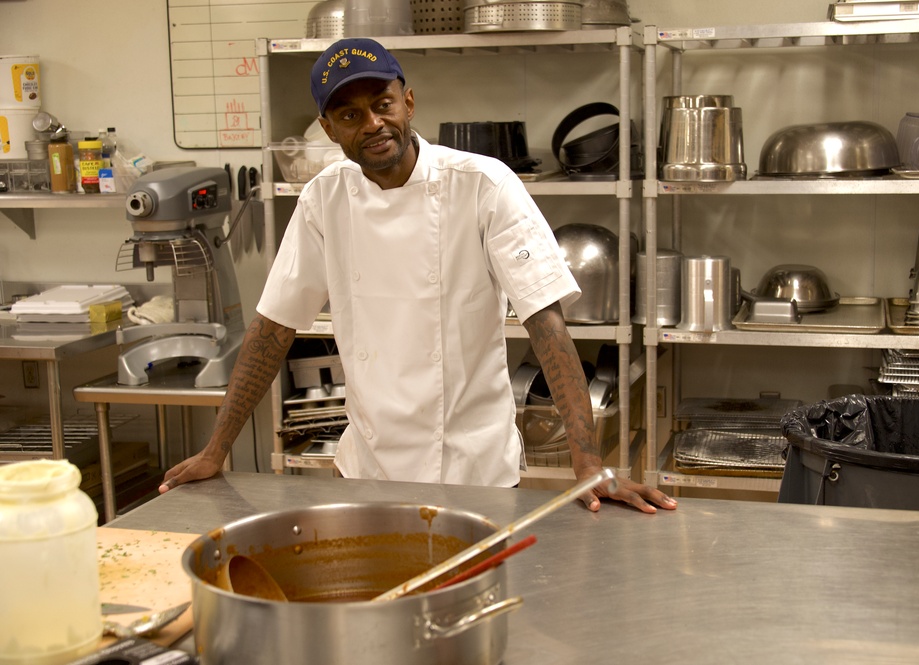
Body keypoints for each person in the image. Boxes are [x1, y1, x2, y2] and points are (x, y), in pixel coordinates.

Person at [160, 37, 676, 513]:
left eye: (382, 104)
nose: (372, 124)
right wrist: (216, 449)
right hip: (368, 466)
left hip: (471, 470)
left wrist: (586, 462)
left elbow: (547, 323)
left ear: (408, 102)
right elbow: (273, 328)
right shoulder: (324, 198)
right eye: (350, 114)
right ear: (328, 129)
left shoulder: (482, 184)